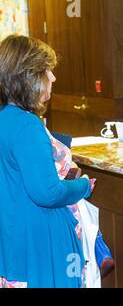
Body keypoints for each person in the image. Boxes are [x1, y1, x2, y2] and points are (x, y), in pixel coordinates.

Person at [0, 35, 95, 288]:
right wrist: (84, 186)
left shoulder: (5, 118)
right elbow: (47, 192)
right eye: (47, 70)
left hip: (13, 235)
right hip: (40, 242)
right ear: (28, 76)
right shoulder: (27, 126)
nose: (52, 77)